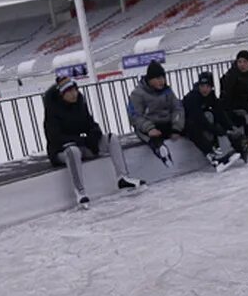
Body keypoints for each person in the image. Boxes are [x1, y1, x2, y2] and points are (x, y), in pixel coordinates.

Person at [44, 75, 145, 209]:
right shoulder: (52, 110)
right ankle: (80, 192)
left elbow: (90, 124)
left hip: (82, 145)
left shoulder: (79, 103)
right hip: (61, 151)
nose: (73, 94)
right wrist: (80, 141)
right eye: (69, 91)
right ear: (62, 94)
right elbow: (55, 138)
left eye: (74, 90)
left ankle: (123, 177)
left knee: (111, 138)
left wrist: (94, 135)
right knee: (72, 151)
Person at [182, 71, 245, 172]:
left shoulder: (211, 96)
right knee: (193, 127)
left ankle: (233, 148)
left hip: (203, 122)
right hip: (187, 125)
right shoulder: (192, 98)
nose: (204, 89)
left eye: (207, 86)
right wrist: (218, 131)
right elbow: (199, 119)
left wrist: (231, 127)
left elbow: (220, 113)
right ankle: (213, 157)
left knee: (215, 118)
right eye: (202, 86)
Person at [127, 61, 185, 167]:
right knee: (145, 133)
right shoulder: (138, 94)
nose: (161, 81)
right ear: (150, 80)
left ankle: (209, 150)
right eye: (158, 79)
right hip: (150, 126)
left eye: (163, 78)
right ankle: (160, 150)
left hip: (167, 123)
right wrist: (149, 128)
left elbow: (178, 108)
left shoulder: (167, 91)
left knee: (190, 124)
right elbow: (134, 116)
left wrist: (176, 127)